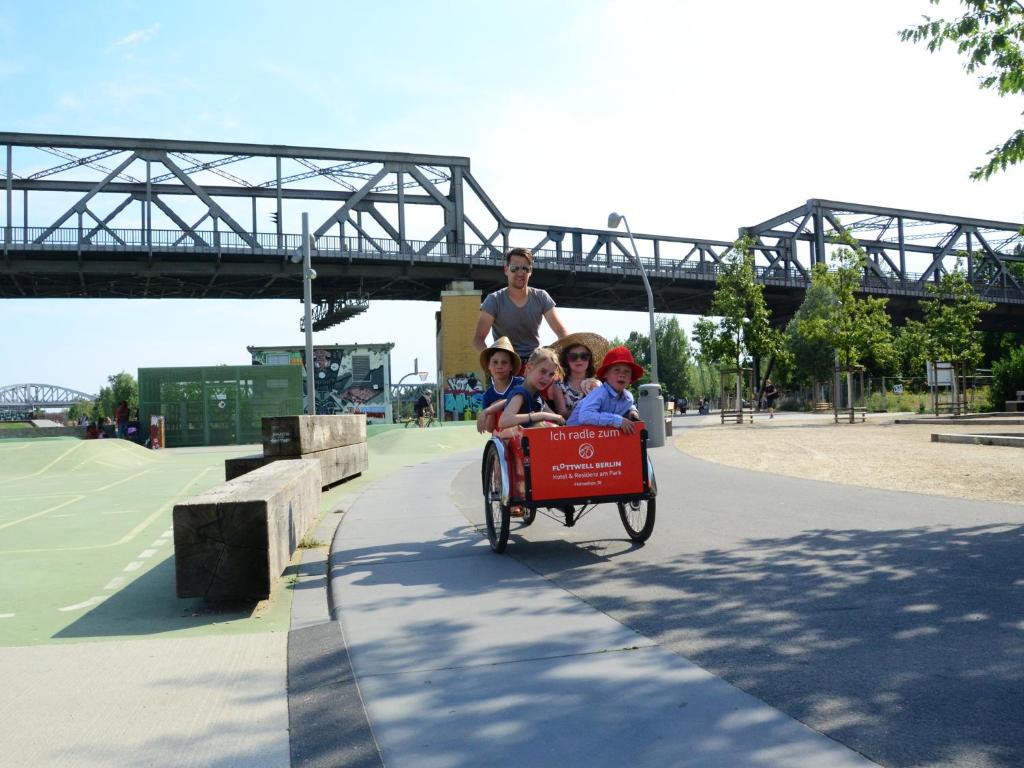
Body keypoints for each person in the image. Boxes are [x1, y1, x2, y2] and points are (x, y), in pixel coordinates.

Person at [473, 247, 569, 370]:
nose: (520, 273)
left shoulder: (541, 297)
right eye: (515, 268)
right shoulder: (494, 300)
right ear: (506, 270)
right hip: (506, 363)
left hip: (533, 363)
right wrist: (492, 361)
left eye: (525, 268)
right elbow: (478, 339)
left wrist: (560, 357)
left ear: (530, 271)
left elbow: (562, 333)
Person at [567, 346, 642, 433]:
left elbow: (630, 405)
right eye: (616, 370)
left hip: (598, 436)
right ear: (605, 374)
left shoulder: (628, 398)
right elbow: (584, 416)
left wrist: (633, 411)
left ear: (631, 377)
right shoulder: (600, 393)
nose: (622, 375)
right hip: (572, 435)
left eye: (626, 371)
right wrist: (616, 420)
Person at [548, 332, 609, 422]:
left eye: (584, 356)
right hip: (571, 428)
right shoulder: (558, 384)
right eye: (573, 357)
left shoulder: (597, 384)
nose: (579, 360)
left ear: (589, 360)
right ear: (566, 360)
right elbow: (562, 414)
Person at [476, 336, 523, 433]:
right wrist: (492, 412)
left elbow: (518, 400)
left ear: (511, 366)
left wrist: (494, 406)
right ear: (489, 366)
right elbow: (489, 429)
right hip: (500, 436)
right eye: (495, 362)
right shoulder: (488, 395)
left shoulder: (520, 383)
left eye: (504, 362)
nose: (499, 366)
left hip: (520, 432)